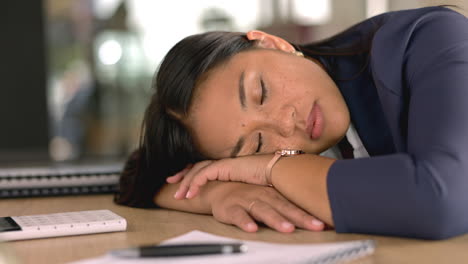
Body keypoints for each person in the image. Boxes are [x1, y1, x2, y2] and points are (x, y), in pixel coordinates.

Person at [115, 6, 468, 240]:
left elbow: (440, 199)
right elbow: (141, 173)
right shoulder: (308, 139)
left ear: (273, 43)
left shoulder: (428, 38)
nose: (285, 127)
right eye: (255, 144)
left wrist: (269, 168)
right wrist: (218, 193)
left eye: (262, 92)